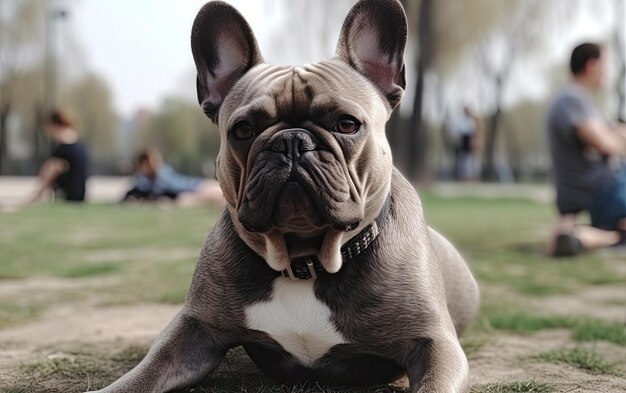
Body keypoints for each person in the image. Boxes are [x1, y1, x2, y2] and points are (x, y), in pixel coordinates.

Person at [546, 42, 626, 256]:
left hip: (598, 190)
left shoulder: (581, 101)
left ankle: (578, 237)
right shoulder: (571, 99)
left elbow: (613, 132)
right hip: (600, 190)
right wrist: (615, 140)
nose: (606, 72)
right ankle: (587, 236)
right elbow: (604, 143)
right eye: (604, 66)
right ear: (591, 66)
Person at [122, 147, 224, 208]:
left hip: (197, 187)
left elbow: (157, 191)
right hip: (195, 188)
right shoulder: (149, 178)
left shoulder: (161, 174)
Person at [29, 109, 89, 203]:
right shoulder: (79, 144)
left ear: (54, 126)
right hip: (80, 194)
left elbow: (50, 171)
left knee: (50, 165)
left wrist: (37, 194)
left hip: (67, 195)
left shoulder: (64, 147)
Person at [447, 106, 481, 181]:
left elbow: (473, 134)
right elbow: (458, 133)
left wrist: (473, 144)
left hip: (469, 144)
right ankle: (463, 177)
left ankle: (472, 178)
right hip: (463, 144)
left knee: (470, 162)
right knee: (463, 162)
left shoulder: (471, 121)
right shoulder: (461, 121)